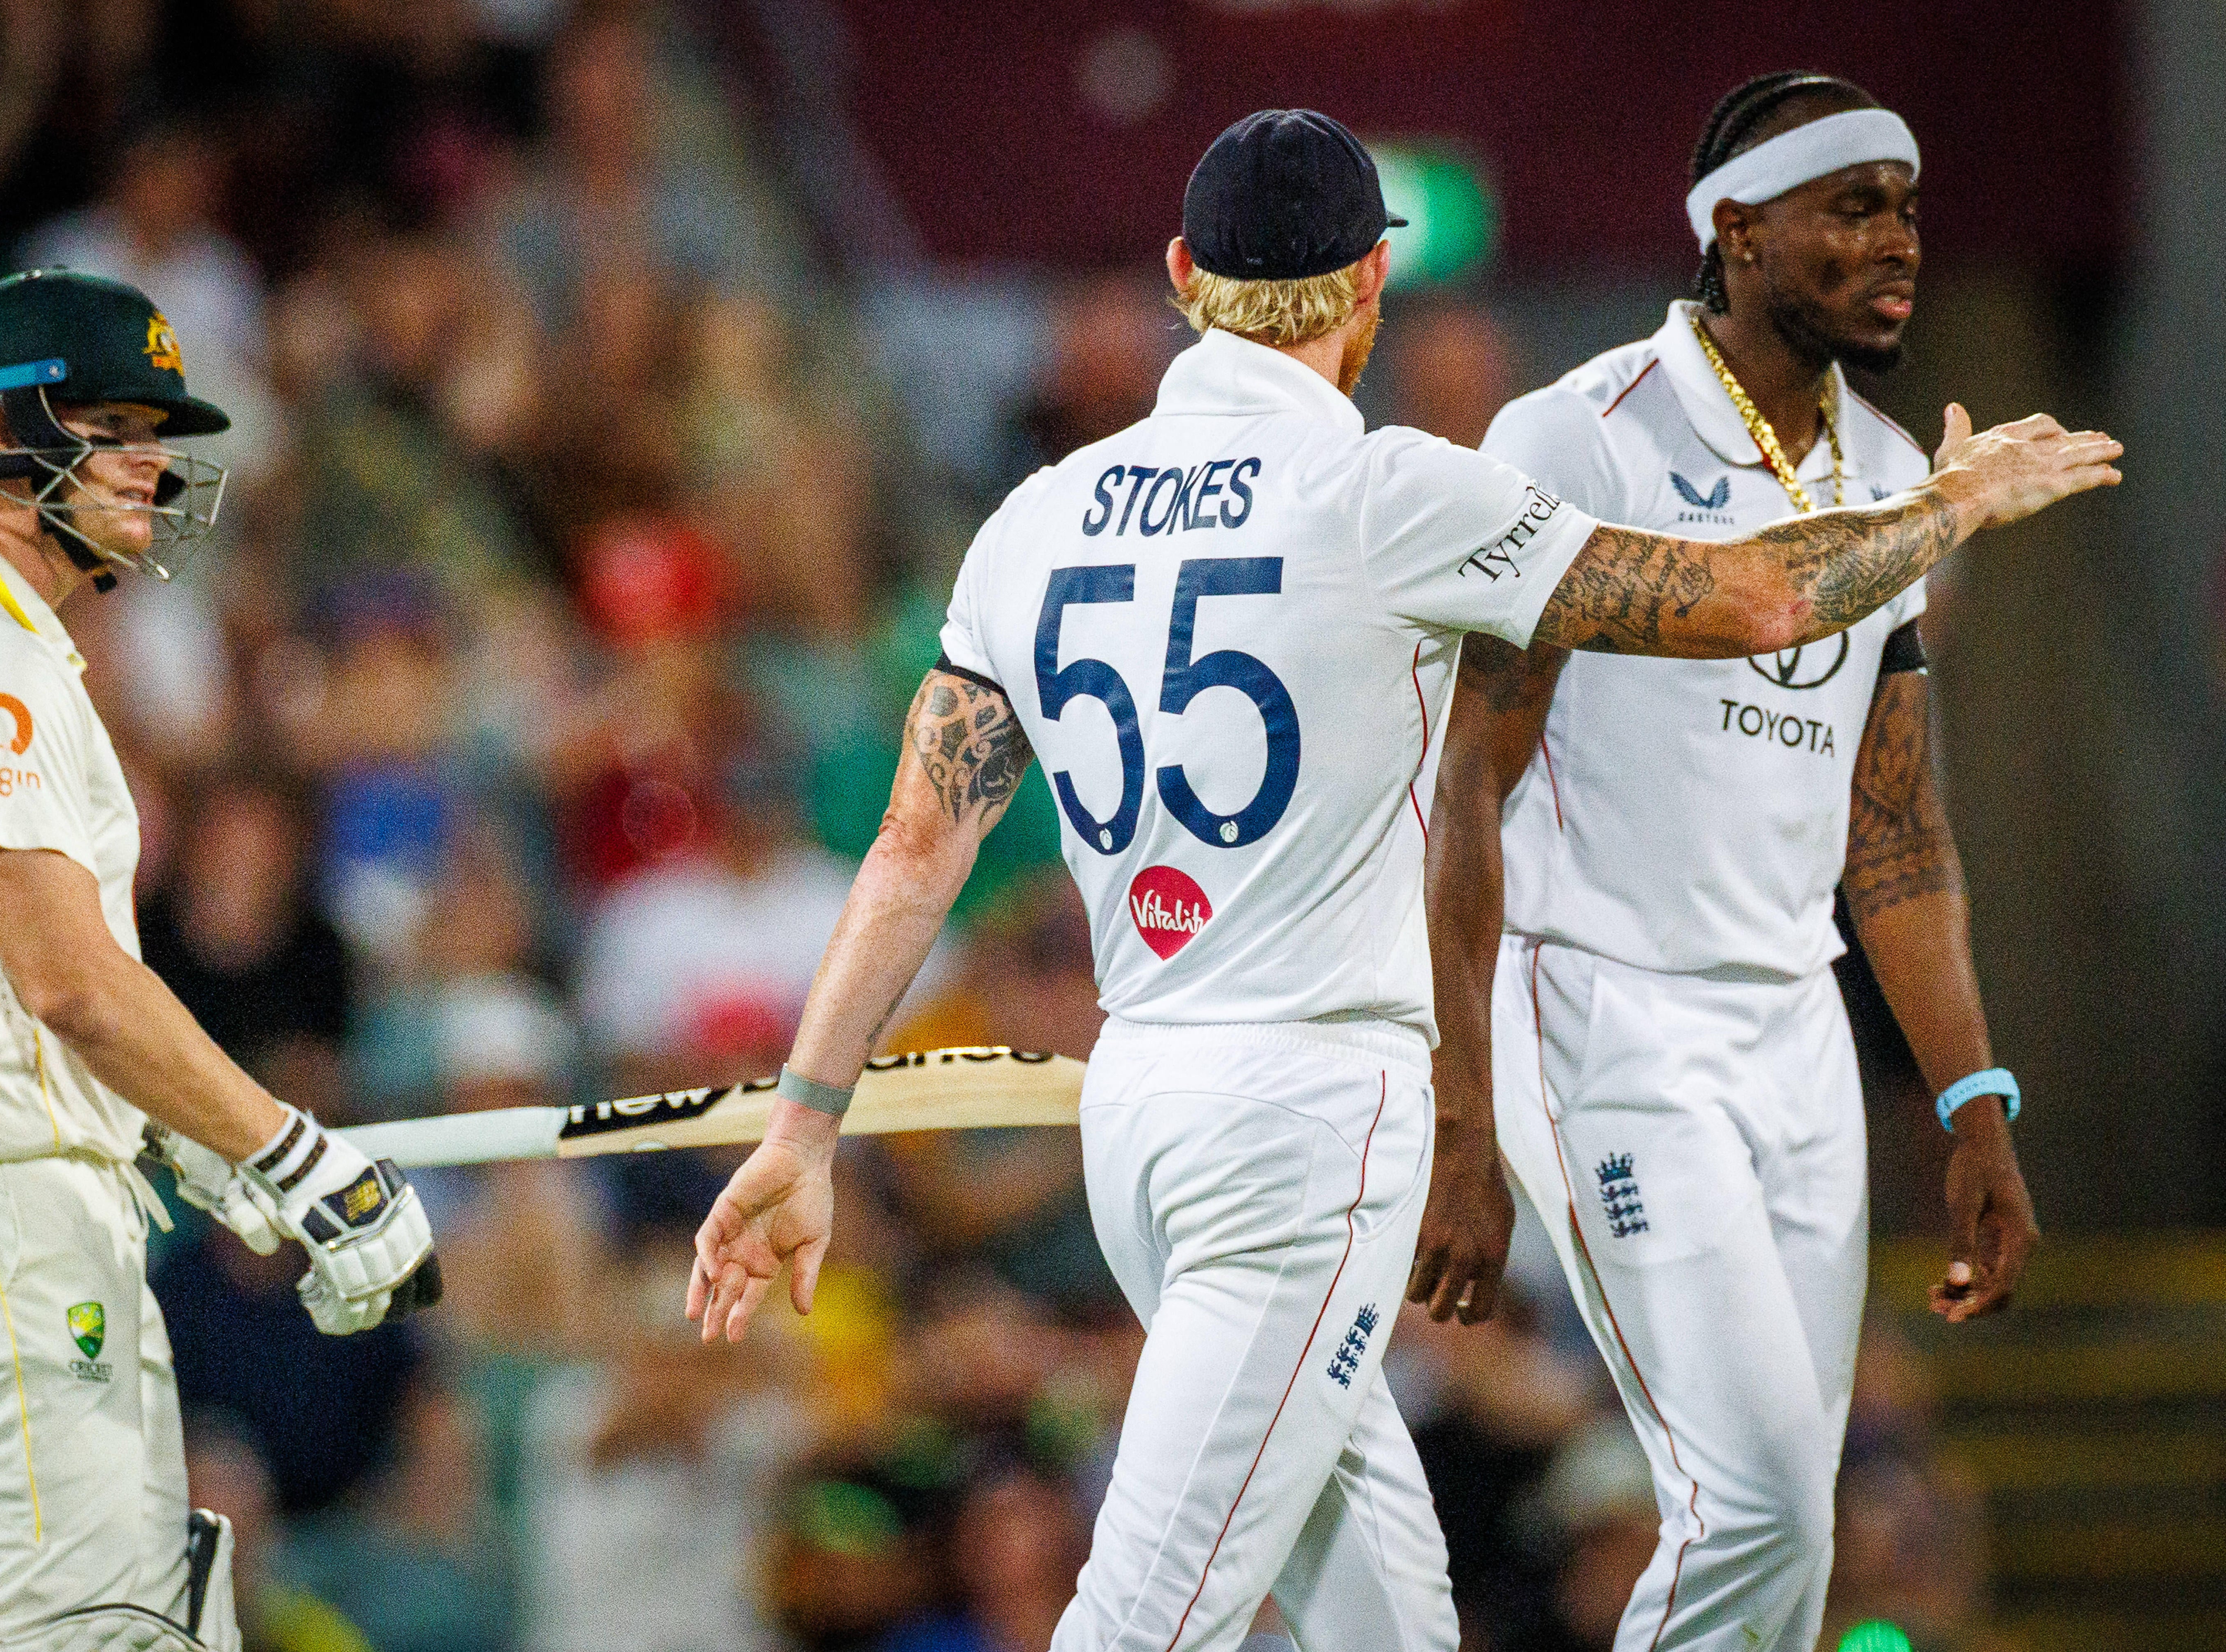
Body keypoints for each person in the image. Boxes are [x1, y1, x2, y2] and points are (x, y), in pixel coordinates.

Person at [686, 108, 2117, 1650]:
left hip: (1142, 1128)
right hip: (1306, 1139)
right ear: (1371, 283)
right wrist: (1948, 507)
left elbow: (917, 851)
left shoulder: (1033, 524)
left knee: (1387, 1628)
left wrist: (805, 1121)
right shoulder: (1390, 498)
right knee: (1144, 1623)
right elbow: (1760, 598)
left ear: (1183, 275)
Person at [1420, 73, 2042, 1652]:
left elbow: (1895, 833)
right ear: (1739, 231)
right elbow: (1463, 793)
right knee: (1756, 1500)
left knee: (1795, 1531)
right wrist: (1463, 1110)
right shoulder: (1576, 435)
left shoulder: (1894, 467)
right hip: (1608, 1023)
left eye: (1906, 206)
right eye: (1854, 206)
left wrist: (1974, 1101)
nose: (1897, 240)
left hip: (1797, 1031)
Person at [0, 268, 439, 1652]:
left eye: (157, 429)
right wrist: (289, 1154)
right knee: (71, 1623)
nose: (153, 465)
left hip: (5, 1195)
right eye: (115, 424)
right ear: (2, 434)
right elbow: (72, 984)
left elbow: (31, 1003)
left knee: (158, 1616)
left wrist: (188, 1137)